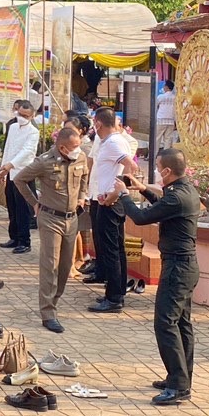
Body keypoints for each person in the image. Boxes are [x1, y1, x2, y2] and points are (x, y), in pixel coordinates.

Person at [110, 149, 201, 406]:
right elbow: (162, 205)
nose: (156, 170)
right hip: (182, 266)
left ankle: (179, 386)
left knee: (166, 323)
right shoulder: (183, 190)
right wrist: (143, 190)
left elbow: (140, 218)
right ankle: (180, 376)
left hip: (178, 268)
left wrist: (125, 195)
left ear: (167, 171)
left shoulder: (178, 197)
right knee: (181, 323)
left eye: (158, 166)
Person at [13, 125, 91, 334]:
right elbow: (19, 179)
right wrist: (34, 203)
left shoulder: (81, 157)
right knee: (50, 265)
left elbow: (84, 175)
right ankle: (48, 312)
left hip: (72, 218)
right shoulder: (44, 162)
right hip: (50, 218)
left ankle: (54, 300)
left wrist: (82, 195)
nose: (78, 149)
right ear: (62, 147)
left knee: (65, 266)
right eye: (74, 147)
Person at [87, 108, 137, 314]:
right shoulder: (110, 141)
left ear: (98, 123)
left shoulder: (115, 142)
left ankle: (114, 297)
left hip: (110, 202)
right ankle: (115, 291)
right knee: (114, 247)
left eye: (93, 123)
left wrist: (116, 193)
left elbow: (131, 167)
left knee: (111, 250)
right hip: (106, 199)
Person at [0, 99, 40, 255]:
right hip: (9, 172)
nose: (21, 117)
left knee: (22, 209)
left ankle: (24, 241)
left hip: (23, 174)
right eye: (20, 114)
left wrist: (11, 164)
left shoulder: (33, 131)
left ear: (32, 116)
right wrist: (3, 168)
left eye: (25, 115)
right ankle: (14, 237)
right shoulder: (13, 127)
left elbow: (27, 152)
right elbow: (8, 147)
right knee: (12, 206)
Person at [155, 79, 177, 151]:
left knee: (157, 138)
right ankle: (166, 155)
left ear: (167, 87)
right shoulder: (175, 98)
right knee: (168, 139)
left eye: (164, 86)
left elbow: (155, 106)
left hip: (161, 120)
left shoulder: (161, 97)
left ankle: (154, 155)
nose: (163, 87)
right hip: (171, 121)